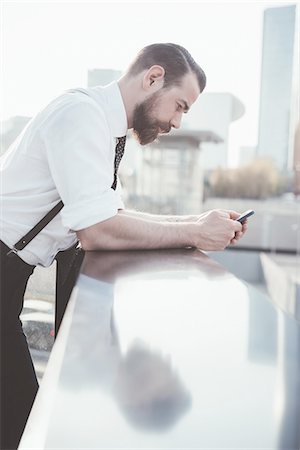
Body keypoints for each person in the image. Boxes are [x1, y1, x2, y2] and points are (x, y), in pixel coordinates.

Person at [0, 42, 247, 449]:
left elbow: (113, 215)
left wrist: (198, 224)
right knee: (24, 426)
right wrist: (193, 233)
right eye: (180, 105)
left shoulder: (106, 128)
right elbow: (97, 230)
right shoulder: (82, 116)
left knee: (22, 423)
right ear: (153, 78)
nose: (178, 122)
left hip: (10, 278)